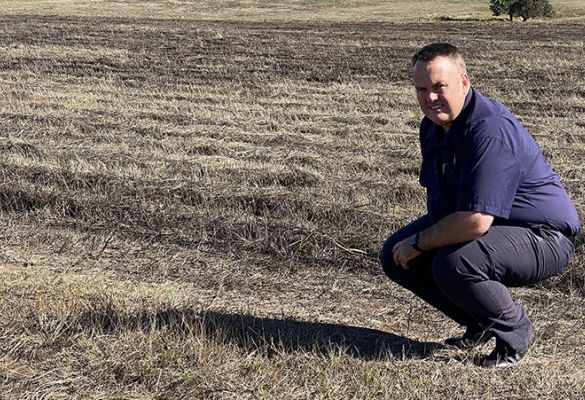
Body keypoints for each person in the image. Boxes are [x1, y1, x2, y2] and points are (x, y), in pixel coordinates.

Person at [379, 43, 580, 368]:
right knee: (395, 255)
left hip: (544, 236)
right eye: (421, 89)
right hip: (498, 224)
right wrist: (418, 245)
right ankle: (482, 321)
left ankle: (515, 331)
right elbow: (443, 201)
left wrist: (419, 242)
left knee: (454, 262)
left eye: (439, 87)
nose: (430, 98)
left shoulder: (489, 132)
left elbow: (475, 221)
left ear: (464, 82)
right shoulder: (433, 127)